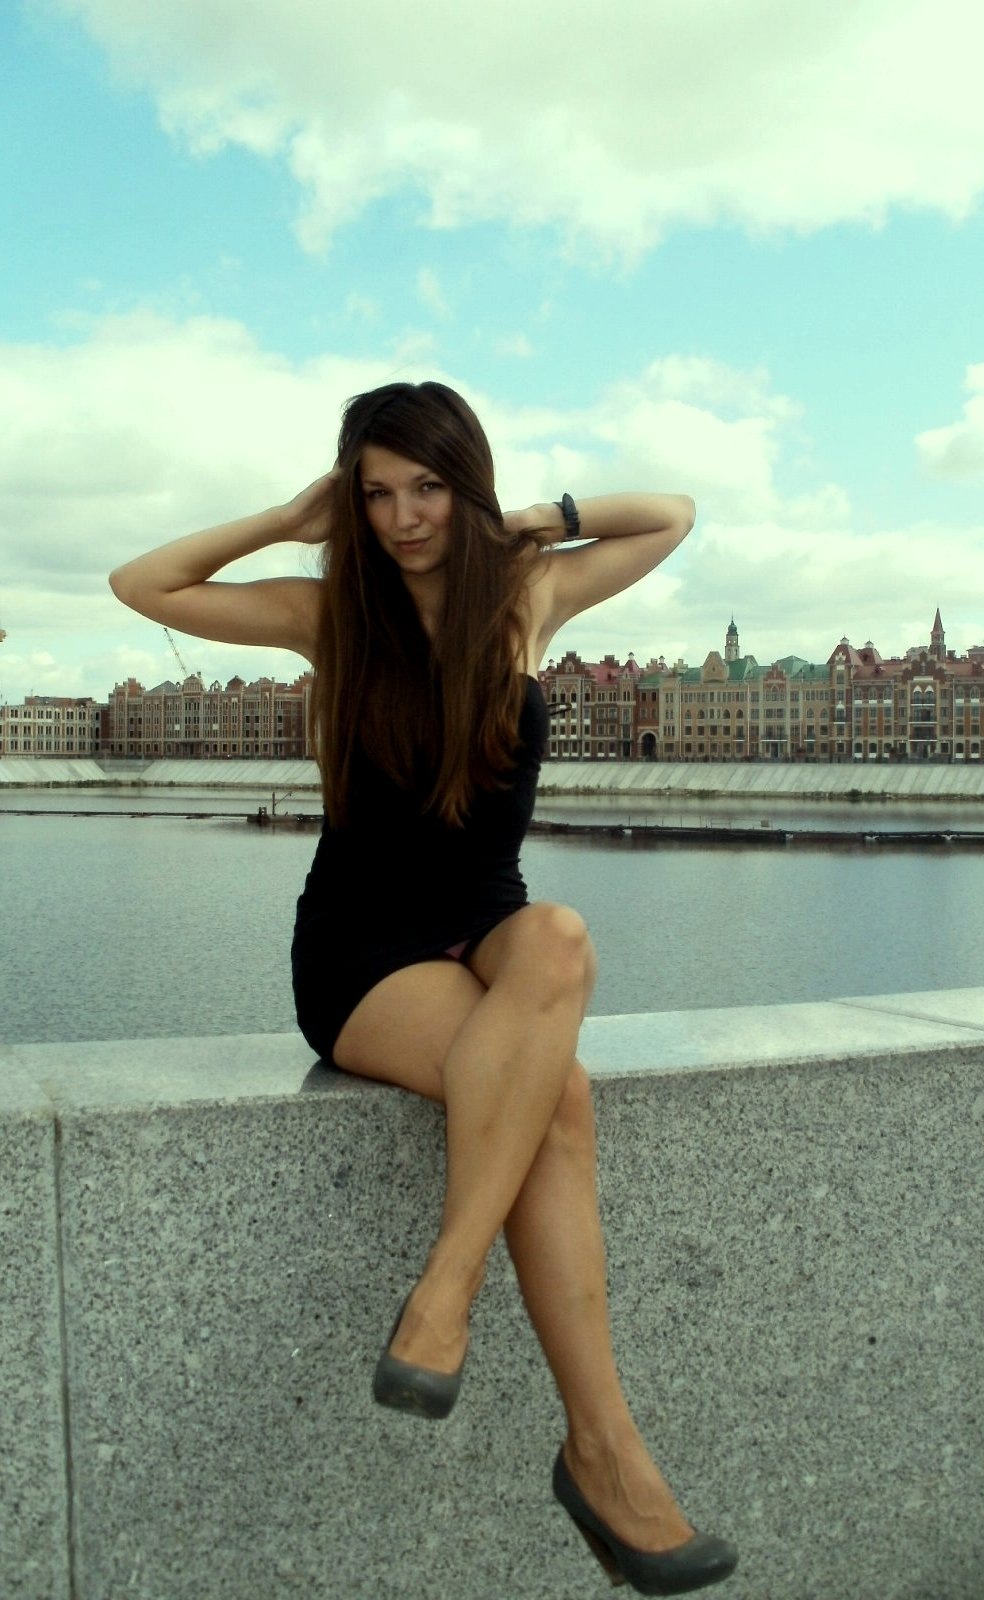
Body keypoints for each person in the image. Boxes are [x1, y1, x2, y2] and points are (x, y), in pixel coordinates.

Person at [109, 380, 737, 1596]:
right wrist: (286, 519)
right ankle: (602, 1452)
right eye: (376, 493)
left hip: (487, 925)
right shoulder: (329, 614)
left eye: (428, 488)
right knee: (557, 1101)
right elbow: (143, 584)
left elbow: (670, 514)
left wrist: (540, 520)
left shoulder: (526, 599)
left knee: (557, 936)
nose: (402, 517)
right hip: (362, 950)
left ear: (467, 485)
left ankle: (447, 1286)